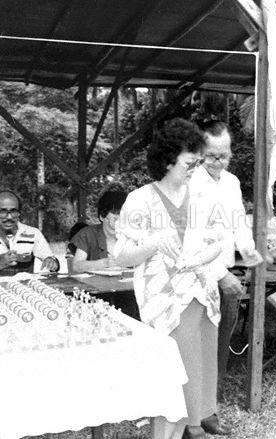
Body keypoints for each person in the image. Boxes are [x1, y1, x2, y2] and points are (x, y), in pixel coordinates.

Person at [114, 118, 226, 439]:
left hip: (201, 299)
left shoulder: (203, 196)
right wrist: (152, 243)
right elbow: (122, 254)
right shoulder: (139, 200)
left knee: (193, 385)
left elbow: (217, 242)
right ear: (167, 161)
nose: (195, 169)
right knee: (172, 388)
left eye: (197, 162)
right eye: (189, 163)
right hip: (165, 306)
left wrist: (198, 259)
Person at [190, 121, 258, 427]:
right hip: (198, 275)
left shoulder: (231, 182)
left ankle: (210, 408)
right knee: (198, 346)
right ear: (199, 152)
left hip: (227, 272)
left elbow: (238, 223)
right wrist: (220, 275)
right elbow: (191, 239)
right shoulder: (189, 182)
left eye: (225, 155)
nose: (219, 162)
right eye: (212, 156)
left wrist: (250, 250)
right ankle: (196, 415)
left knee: (221, 343)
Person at [70, 190, 140, 320]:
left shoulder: (133, 236)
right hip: (95, 298)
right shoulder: (88, 234)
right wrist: (104, 263)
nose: (119, 223)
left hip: (129, 296)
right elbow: (77, 265)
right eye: (115, 218)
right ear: (102, 216)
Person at [0, 189, 60, 275]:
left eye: (13, 211)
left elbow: (51, 259)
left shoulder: (33, 233)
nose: (9, 217)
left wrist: (51, 262)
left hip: (24, 287)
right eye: (3, 211)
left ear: (19, 213)